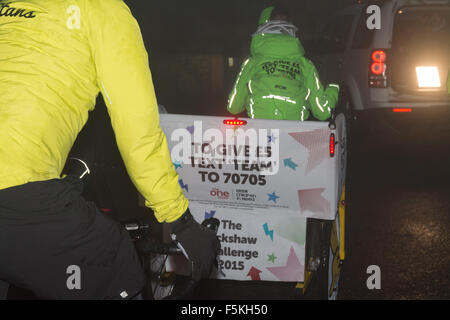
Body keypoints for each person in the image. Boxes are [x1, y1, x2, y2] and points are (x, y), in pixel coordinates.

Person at [0, 0, 219, 299]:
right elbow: (137, 128)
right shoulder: (104, 10)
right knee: (115, 260)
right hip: (18, 191)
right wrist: (179, 220)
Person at [227, 5, 340, 121]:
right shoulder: (305, 64)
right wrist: (333, 88)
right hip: (294, 133)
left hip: (259, 131)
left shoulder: (252, 63)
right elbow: (323, 112)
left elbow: (233, 107)